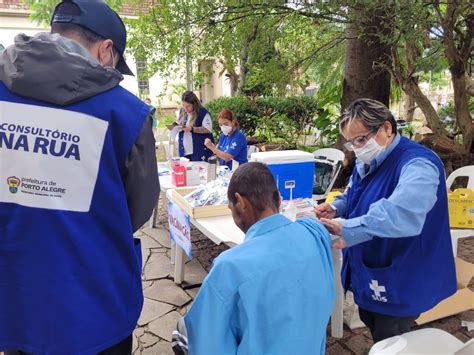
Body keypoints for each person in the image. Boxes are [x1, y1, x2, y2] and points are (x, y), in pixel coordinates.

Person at [0, 0, 159, 354]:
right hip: (95, 305)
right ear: (106, 51)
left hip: (16, 302)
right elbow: (139, 209)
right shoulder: (126, 113)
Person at [315, 98, 456, 343]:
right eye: (351, 143)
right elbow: (355, 192)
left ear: (387, 128)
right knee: (375, 324)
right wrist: (337, 208)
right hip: (373, 268)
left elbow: (401, 212)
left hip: (404, 271)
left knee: (394, 337)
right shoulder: (369, 158)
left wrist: (349, 228)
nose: (357, 148)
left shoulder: (418, 164)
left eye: (361, 139)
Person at [172, 162, 335, 355]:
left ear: (240, 202)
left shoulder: (230, 266)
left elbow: (207, 342)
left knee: (184, 331)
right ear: (279, 198)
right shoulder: (314, 233)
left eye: (230, 207)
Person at [176, 91, 214, 161]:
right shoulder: (182, 111)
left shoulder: (202, 112)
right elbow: (179, 122)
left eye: (188, 106)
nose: (185, 108)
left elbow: (208, 129)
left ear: (194, 104)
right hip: (184, 151)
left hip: (199, 151)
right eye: (183, 105)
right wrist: (176, 127)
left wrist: (192, 129)